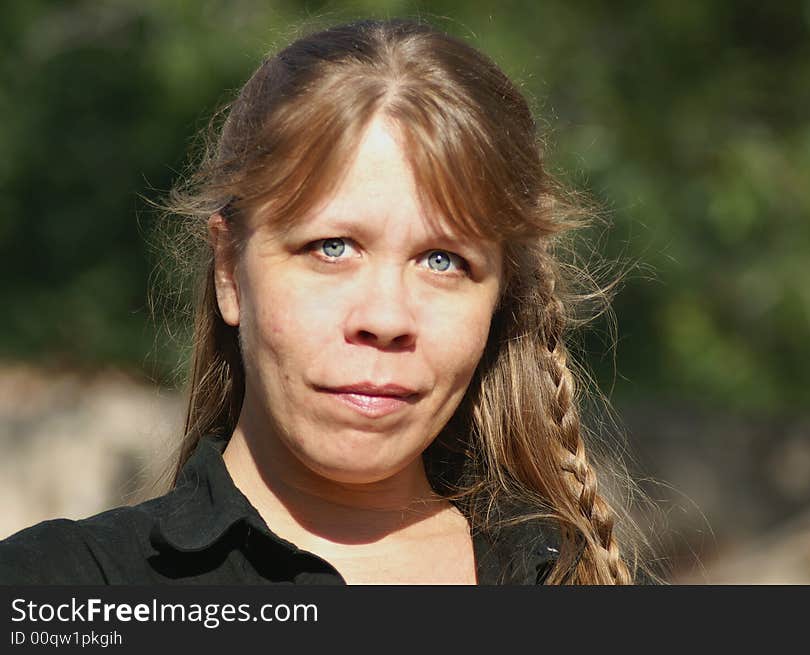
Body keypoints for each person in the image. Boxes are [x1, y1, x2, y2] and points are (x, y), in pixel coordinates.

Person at [0, 18, 651, 585]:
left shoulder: (578, 583)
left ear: (500, 298)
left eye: (443, 260)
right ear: (230, 269)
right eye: (332, 247)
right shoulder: (60, 589)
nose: (386, 318)